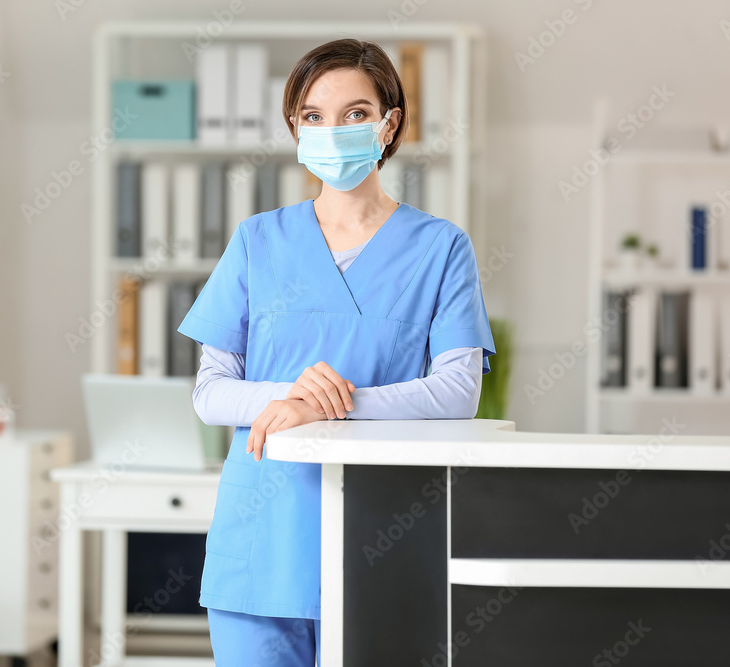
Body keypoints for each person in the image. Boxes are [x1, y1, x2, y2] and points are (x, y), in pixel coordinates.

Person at [176, 38, 495, 666]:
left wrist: (330, 407)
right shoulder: (257, 241)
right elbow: (211, 391)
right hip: (264, 536)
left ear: (389, 122)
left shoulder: (440, 248)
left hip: (385, 531)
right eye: (313, 115)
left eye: (354, 113)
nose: (332, 129)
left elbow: (459, 390)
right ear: (296, 127)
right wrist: (294, 397)